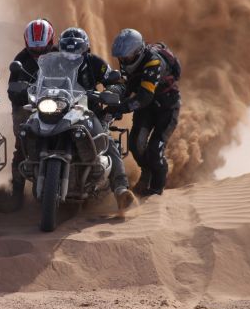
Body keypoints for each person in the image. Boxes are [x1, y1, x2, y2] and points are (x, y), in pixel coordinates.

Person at [59, 27, 136, 210]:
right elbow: (37, 81)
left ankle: (120, 189)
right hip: (57, 111)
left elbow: (117, 82)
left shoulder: (95, 63)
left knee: (106, 141)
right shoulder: (54, 62)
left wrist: (109, 92)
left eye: (76, 51)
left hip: (88, 112)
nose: (71, 56)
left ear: (85, 49)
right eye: (67, 51)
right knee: (29, 130)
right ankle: (18, 189)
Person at [110, 28, 181, 196]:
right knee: (135, 143)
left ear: (138, 52)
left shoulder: (154, 62)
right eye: (120, 57)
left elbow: (144, 97)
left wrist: (121, 108)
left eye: (126, 56)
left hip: (167, 107)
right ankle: (146, 172)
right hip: (147, 108)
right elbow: (126, 86)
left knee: (155, 150)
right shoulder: (127, 62)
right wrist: (111, 97)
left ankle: (157, 191)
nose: (123, 60)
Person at [5, 18, 57, 209]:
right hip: (28, 107)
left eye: (41, 49)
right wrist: (21, 95)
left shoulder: (60, 55)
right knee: (22, 146)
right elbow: (11, 91)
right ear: (27, 43)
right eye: (33, 49)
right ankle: (16, 194)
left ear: (50, 42)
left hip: (58, 104)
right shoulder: (20, 60)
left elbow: (74, 75)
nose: (37, 52)